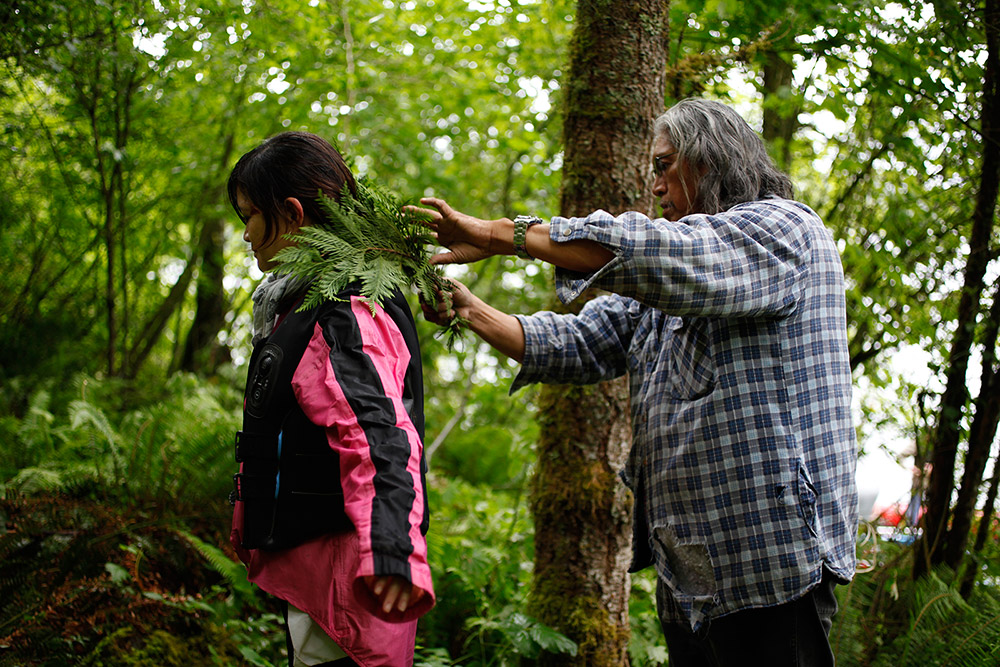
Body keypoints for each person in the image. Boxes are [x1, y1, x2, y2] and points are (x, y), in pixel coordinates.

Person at [416, 98, 858, 667]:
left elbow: (663, 252)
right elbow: (578, 343)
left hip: (771, 564)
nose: (653, 185)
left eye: (663, 166)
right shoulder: (666, 287)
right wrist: (470, 310)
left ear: (710, 159)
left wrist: (504, 234)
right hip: (693, 581)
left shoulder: (784, 231)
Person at [227, 131, 434, 667]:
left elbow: (380, 435)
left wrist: (392, 550)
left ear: (292, 215)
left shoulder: (343, 310)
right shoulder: (304, 305)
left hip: (350, 581)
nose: (246, 233)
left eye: (250, 215)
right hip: (325, 577)